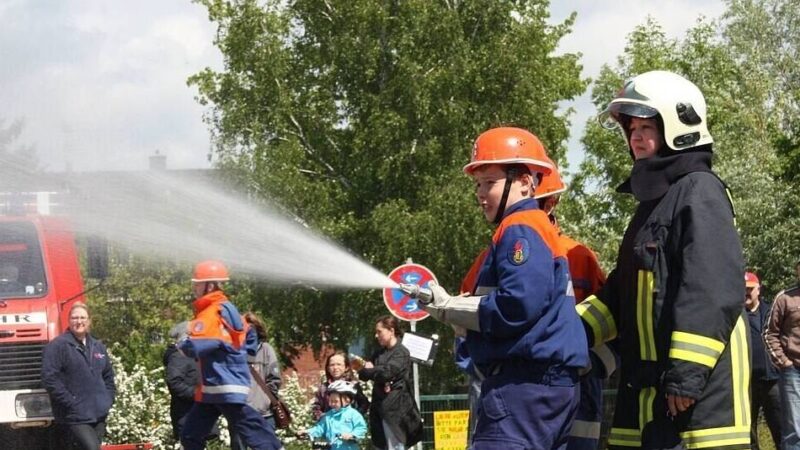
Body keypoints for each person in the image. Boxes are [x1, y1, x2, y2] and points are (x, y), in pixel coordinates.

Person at [577, 70, 748, 449]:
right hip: (649, 394)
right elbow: (623, 294)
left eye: (646, 126)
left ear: (678, 124)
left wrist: (686, 377)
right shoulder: (654, 203)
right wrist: (569, 333)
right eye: (631, 128)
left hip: (699, 402)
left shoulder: (699, 190)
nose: (635, 136)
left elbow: (711, 289)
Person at [420, 126, 589, 449]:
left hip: (522, 387)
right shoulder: (537, 227)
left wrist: (449, 309)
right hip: (547, 387)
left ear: (525, 183)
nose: (481, 194)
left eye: (491, 183)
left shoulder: (519, 226)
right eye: (478, 184)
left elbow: (518, 304)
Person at [534, 158, 614, 450]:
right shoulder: (495, 257)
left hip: (581, 391)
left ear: (552, 202)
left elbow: (614, 319)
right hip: (519, 393)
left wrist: (593, 365)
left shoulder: (579, 256)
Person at [178, 260, 283, 450]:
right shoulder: (226, 308)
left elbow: (197, 347)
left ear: (210, 285)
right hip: (214, 387)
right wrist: (245, 357)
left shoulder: (211, 312)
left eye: (198, 283)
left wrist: (182, 339)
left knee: (249, 425)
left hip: (223, 384)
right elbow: (249, 331)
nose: (194, 287)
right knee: (190, 434)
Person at [41, 302, 115, 450]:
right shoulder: (58, 346)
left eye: (83, 317)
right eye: (75, 318)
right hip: (74, 415)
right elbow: (49, 379)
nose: (79, 321)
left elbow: (108, 376)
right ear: (69, 321)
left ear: (89, 321)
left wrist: (107, 399)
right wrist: (70, 402)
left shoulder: (97, 346)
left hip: (99, 414)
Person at [356, 315, 423, 450]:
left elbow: (387, 373)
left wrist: (372, 370)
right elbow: (363, 374)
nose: (376, 335)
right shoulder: (378, 353)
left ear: (391, 330)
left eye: (379, 331)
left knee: (395, 447)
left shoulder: (401, 352)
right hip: (379, 408)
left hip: (395, 410)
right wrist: (371, 370)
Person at [230, 312, 282, 450]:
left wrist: (266, 401)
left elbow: (274, 379)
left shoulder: (266, 350)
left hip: (264, 415)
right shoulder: (233, 351)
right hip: (239, 413)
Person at [163, 321, 219, 443]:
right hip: (187, 416)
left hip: (200, 415)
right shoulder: (179, 356)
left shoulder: (197, 356)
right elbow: (174, 382)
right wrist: (198, 394)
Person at [765, 260, 800, 449]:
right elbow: (769, 333)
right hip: (793, 370)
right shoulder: (785, 298)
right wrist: (784, 362)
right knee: (795, 429)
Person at [744, 271, 780, 449]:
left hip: (772, 381)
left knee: (781, 427)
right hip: (746, 384)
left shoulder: (772, 312)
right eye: (743, 289)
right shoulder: (736, 317)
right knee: (748, 433)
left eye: (750, 289)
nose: (747, 293)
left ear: (759, 289)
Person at [298, 380, 368, 450]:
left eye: (335, 401)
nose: (331, 404)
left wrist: (352, 435)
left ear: (347, 400)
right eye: (330, 401)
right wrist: (308, 432)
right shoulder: (328, 416)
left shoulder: (353, 414)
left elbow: (361, 428)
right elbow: (320, 428)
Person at [312, 350, 370, 421]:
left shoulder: (352, 385)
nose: (335, 368)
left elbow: (364, 403)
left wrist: (355, 416)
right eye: (332, 365)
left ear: (346, 367)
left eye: (339, 364)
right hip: (328, 427)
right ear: (328, 368)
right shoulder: (323, 388)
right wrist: (322, 417)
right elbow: (316, 407)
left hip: (349, 428)